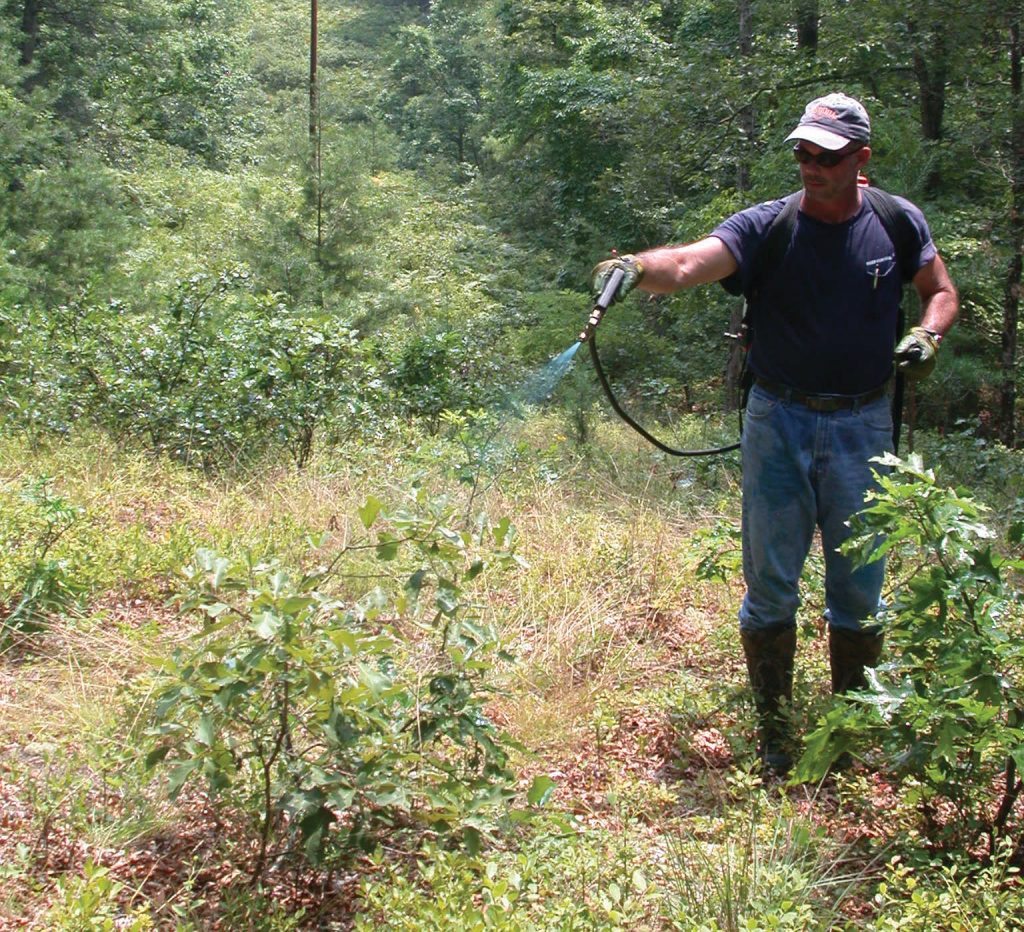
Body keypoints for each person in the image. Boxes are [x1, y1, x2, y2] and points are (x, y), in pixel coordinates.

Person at [591, 93, 959, 773]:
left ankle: (847, 737)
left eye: (827, 155)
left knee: (859, 590)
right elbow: (688, 263)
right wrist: (637, 268)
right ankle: (777, 737)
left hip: (864, 423)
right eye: (802, 152)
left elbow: (941, 290)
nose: (810, 165)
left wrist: (927, 334)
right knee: (770, 588)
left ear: (862, 159)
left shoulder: (897, 222)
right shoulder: (768, 227)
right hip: (778, 421)